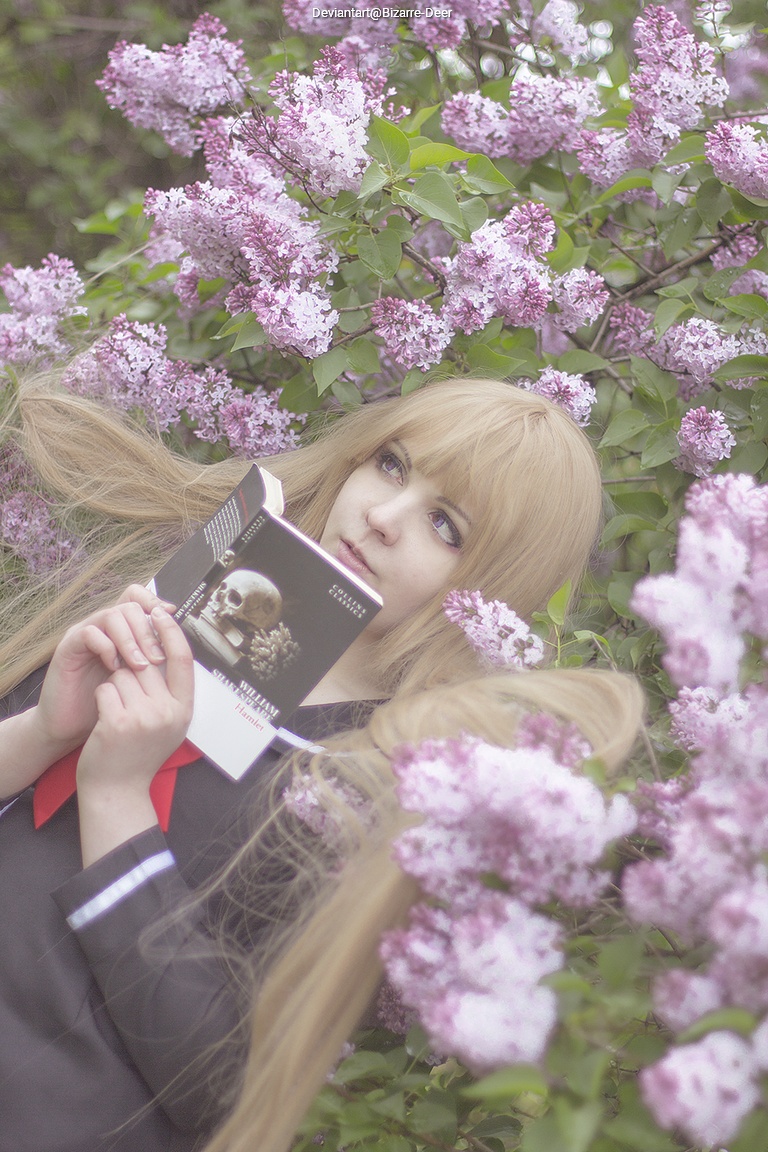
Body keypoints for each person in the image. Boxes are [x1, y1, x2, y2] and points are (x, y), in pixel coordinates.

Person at [0, 375, 643, 1152]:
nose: (382, 517)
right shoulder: (198, 593)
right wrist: (45, 730)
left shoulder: (380, 793)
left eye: (446, 525)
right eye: (394, 465)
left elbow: (225, 1086)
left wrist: (116, 793)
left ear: (495, 592)